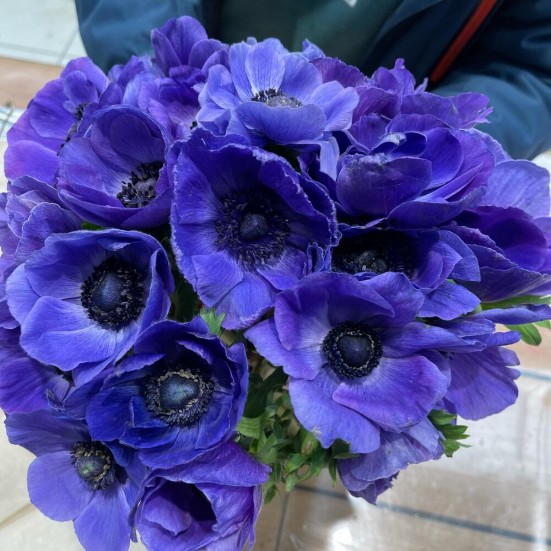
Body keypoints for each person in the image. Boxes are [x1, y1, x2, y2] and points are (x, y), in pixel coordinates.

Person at [75, 0, 551, 160]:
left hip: (383, 171)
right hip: (189, 110)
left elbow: (532, 71)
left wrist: (424, 146)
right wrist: (158, 75)